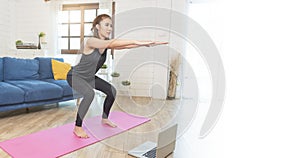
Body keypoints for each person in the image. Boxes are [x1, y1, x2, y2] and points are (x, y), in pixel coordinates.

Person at [66, 14, 168, 138]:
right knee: (89, 94)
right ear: (97, 27)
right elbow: (114, 43)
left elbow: (123, 45)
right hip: (75, 76)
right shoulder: (90, 40)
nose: (110, 28)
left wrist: (144, 44)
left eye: (111, 25)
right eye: (106, 25)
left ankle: (105, 118)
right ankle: (77, 127)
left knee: (111, 91)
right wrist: (138, 41)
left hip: (89, 77)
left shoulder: (105, 44)